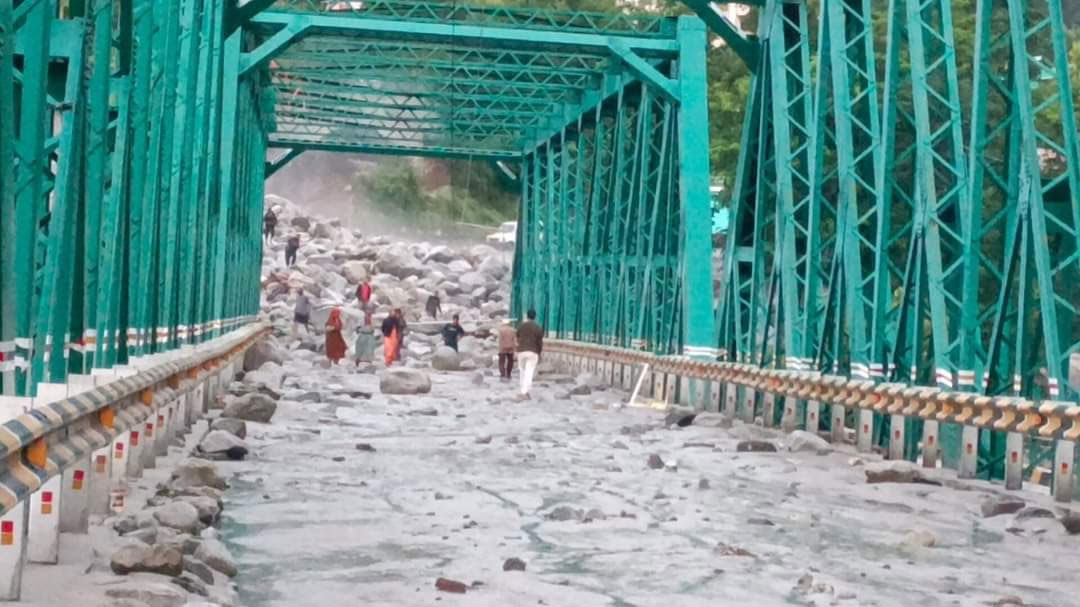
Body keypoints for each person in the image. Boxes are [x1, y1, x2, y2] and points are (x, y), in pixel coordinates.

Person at [516, 309, 543, 399]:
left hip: (521, 351)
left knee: (522, 371)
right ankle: (525, 391)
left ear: (527, 316)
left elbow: (517, 335)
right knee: (529, 372)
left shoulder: (521, 326)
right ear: (535, 317)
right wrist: (539, 352)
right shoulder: (538, 327)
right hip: (533, 351)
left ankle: (522, 390)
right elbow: (539, 342)